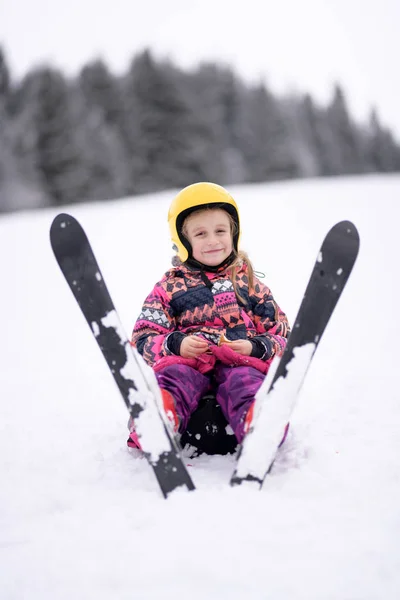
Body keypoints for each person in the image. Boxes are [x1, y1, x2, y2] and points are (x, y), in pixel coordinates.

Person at [128, 182, 290, 452]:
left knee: (245, 383)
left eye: (220, 231)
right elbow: (144, 336)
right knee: (173, 378)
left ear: (233, 234)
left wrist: (255, 347)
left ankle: (260, 425)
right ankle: (157, 419)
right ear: (183, 241)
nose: (213, 240)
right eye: (201, 233)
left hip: (241, 364)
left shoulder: (250, 285)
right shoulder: (169, 287)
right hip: (190, 365)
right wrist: (177, 344)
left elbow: (282, 334)